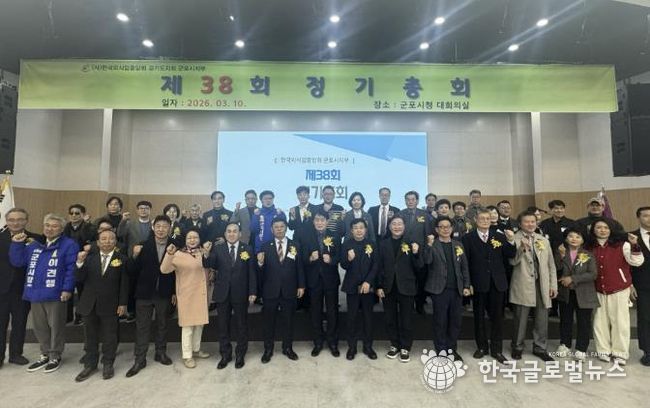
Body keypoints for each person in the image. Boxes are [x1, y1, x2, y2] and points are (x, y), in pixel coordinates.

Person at [9, 213, 78, 373]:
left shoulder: (69, 245)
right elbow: (18, 261)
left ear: (61, 229)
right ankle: (45, 353)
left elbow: (71, 269)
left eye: (54, 226)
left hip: (56, 293)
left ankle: (55, 355)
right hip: (35, 292)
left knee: (56, 326)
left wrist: (67, 289)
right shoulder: (34, 245)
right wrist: (16, 244)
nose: (49, 229)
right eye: (47, 225)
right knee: (40, 327)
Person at [73, 229, 129, 381]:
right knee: (90, 336)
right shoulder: (89, 259)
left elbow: (124, 284)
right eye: (103, 239)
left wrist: (123, 303)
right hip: (89, 304)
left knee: (110, 336)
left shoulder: (122, 259)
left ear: (115, 242)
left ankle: (108, 363)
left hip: (111, 304)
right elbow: (79, 279)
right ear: (97, 242)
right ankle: (90, 365)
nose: (107, 241)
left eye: (111, 239)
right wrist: (79, 262)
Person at [462, 208, 516, 364]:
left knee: (497, 318)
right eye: (482, 218)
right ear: (475, 220)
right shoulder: (468, 238)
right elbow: (466, 263)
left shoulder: (499, 236)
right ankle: (482, 347)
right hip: (478, 283)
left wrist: (511, 241)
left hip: (497, 283)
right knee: (479, 317)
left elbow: (510, 254)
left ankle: (497, 350)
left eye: (487, 218)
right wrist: (468, 283)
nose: (485, 221)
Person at [587, 219, 643, 366]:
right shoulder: (589, 247)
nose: (602, 230)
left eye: (606, 227)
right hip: (598, 290)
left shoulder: (622, 245)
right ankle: (603, 351)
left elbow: (637, 262)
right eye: (599, 227)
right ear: (593, 230)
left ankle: (620, 353)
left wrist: (635, 245)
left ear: (611, 229)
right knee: (599, 323)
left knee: (620, 323)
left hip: (619, 289)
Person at [125, 215, 176, 377]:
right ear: (153, 228)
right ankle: (140, 359)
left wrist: (174, 292)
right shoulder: (142, 245)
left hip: (164, 292)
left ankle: (160, 353)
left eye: (165, 226)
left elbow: (177, 272)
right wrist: (134, 256)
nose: (161, 229)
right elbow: (131, 270)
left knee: (162, 324)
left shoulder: (175, 246)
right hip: (144, 293)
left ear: (170, 229)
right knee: (142, 327)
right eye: (158, 226)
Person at [204, 222, 257, 369]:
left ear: (240, 234)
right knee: (223, 326)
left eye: (235, 231)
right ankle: (225, 355)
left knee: (241, 325)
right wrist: (206, 254)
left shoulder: (247, 248)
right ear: (225, 234)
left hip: (241, 293)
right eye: (229, 231)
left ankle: (240, 354)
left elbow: (252, 272)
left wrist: (252, 292)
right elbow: (210, 264)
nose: (232, 234)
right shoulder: (218, 248)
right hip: (223, 293)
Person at [509, 211, 557, 362]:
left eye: (533, 222)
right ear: (520, 224)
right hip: (523, 283)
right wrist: (521, 249)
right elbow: (512, 262)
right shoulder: (513, 238)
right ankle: (517, 347)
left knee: (542, 318)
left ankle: (540, 347)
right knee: (520, 318)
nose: (530, 224)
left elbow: (551, 264)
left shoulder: (543, 240)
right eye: (526, 222)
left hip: (542, 283)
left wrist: (553, 285)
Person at [160, 227, 211, 369]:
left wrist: (207, 254)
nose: (192, 240)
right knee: (188, 326)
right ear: (185, 240)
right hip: (187, 295)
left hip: (201, 294)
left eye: (195, 237)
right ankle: (187, 355)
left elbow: (210, 268)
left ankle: (196, 349)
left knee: (199, 324)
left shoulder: (203, 252)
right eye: (189, 237)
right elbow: (164, 270)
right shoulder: (178, 254)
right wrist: (169, 254)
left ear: (199, 239)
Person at [257, 219, 305, 363]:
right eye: (276, 227)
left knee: (288, 321)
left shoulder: (295, 245)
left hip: (289, 289)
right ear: (272, 229)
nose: (279, 229)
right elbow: (260, 272)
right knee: (268, 322)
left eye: (281, 227)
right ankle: (268, 349)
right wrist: (260, 263)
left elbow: (300, 267)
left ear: (286, 228)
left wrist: (301, 285)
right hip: (270, 290)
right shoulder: (265, 246)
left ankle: (287, 348)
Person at [376, 216, 423, 363]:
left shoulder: (411, 243)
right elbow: (379, 266)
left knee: (406, 319)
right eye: (394, 224)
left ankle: (405, 347)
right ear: (389, 227)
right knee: (390, 319)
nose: (397, 226)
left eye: (400, 224)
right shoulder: (383, 244)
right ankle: (394, 344)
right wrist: (379, 286)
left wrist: (416, 253)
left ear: (404, 226)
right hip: (388, 287)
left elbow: (419, 266)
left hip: (407, 286)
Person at [424, 216, 471, 361]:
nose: (445, 229)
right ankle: (441, 350)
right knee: (440, 321)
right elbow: (427, 261)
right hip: (439, 290)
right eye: (442, 227)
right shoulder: (433, 244)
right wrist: (429, 245)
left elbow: (464, 267)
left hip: (456, 289)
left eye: (448, 227)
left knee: (455, 322)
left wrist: (466, 285)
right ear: (436, 229)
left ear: (452, 229)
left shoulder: (458, 245)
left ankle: (451, 349)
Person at [0, 208, 40, 368]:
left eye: (19, 219)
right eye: (12, 220)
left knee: (20, 323)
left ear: (26, 220)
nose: (15, 223)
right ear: (6, 221)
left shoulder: (36, 239)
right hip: (1, 290)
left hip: (23, 289)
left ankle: (16, 354)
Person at [555, 228, 599, 361]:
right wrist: (561, 257)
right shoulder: (560, 252)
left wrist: (572, 278)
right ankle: (565, 345)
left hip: (584, 293)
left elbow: (593, 274)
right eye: (571, 236)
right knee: (565, 320)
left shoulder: (588, 254)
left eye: (578, 237)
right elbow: (556, 270)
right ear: (566, 238)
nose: (574, 239)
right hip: (566, 292)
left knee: (584, 321)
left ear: (583, 240)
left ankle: (581, 349)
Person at [302, 211, 340, 357]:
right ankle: (317, 342)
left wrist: (331, 260)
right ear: (313, 222)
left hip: (330, 279)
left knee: (332, 311)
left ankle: (332, 342)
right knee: (315, 311)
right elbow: (302, 258)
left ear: (327, 221)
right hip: (314, 280)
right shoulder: (307, 236)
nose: (319, 223)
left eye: (322, 220)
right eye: (317, 220)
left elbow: (340, 256)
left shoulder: (335, 236)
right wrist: (310, 258)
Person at [340, 218, 378, 361]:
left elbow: (376, 264)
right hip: (352, 286)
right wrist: (348, 259)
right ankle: (352, 347)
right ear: (351, 230)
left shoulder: (372, 244)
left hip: (367, 287)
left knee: (368, 318)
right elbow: (343, 265)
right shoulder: (346, 244)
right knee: (352, 317)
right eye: (355, 228)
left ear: (365, 229)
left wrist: (368, 282)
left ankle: (368, 347)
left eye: (361, 227)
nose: (359, 230)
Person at [399, 191, 432, 314]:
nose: (410, 202)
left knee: (421, 280)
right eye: (408, 199)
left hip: (420, 253)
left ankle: (419, 304)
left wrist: (426, 251)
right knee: (406, 279)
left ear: (417, 201)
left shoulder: (424, 215)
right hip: (404, 253)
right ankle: (407, 304)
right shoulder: (400, 214)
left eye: (413, 199)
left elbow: (428, 234)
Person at [64, 203, 96, 325]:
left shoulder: (90, 227)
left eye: (77, 213)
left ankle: (80, 316)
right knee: (67, 290)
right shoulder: (65, 227)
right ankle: (67, 317)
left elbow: (91, 241)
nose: (74, 215)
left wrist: (85, 225)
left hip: (83, 263)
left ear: (83, 214)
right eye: (71, 213)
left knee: (82, 291)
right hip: (67, 263)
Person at [632, 206, 650, 366]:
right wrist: (630, 284)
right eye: (645, 215)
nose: (649, 218)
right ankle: (647, 351)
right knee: (645, 318)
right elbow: (626, 263)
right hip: (642, 284)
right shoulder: (631, 237)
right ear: (639, 218)